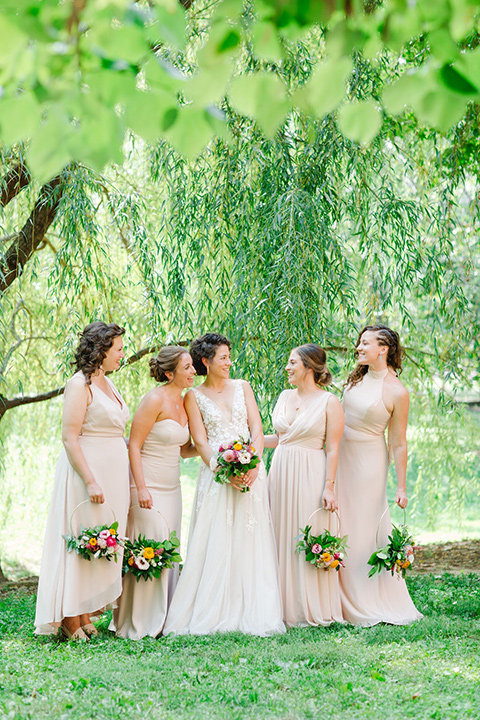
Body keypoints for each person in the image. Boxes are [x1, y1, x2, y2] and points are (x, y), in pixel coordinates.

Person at [164, 333, 285, 636]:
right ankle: (212, 609)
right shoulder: (193, 396)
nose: (229, 362)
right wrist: (222, 470)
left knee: (251, 535)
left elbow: (256, 429)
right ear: (206, 361)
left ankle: (254, 608)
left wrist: (253, 465)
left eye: (230, 357)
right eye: (223, 358)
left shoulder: (243, 387)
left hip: (251, 472)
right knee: (215, 536)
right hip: (216, 474)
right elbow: (201, 441)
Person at [34, 322, 130, 640]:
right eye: (118, 349)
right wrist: (90, 480)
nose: (122, 354)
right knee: (81, 537)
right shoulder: (79, 384)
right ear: (101, 350)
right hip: (86, 472)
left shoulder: (106, 382)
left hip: (113, 473)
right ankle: (69, 616)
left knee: (99, 538)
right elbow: (70, 437)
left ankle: (85, 611)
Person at [336, 324, 422, 625]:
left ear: (383, 349)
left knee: (362, 524)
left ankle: (362, 595)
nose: (358, 348)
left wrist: (401, 486)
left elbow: (398, 442)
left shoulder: (397, 391)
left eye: (364, 344)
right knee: (338, 519)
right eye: (359, 343)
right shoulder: (356, 379)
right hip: (338, 455)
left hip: (368, 462)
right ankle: (332, 593)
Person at [113, 346, 197, 639]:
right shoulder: (154, 399)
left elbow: (184, 450)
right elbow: (134, 445)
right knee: (148, 545)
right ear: (170, 372)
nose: (193, 371)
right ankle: (137, 618)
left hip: (172, 487)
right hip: (146, 483)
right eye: (187, 367)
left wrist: (219, 449)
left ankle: (164, 617)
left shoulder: (186, 402)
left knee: (168, 549)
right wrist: (142, 488)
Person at [265, 344, 345, 627]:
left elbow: (333, 449)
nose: (287, 368)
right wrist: (242, 444)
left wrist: (329, 486)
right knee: (280, 533)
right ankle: (280, 606)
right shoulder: (284, 396)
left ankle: (309, 606)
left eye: (292, 363)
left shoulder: (330, 402)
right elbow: (279, 439)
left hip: (311, 470)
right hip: (281, 470)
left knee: (305, 532)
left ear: (309, 367)